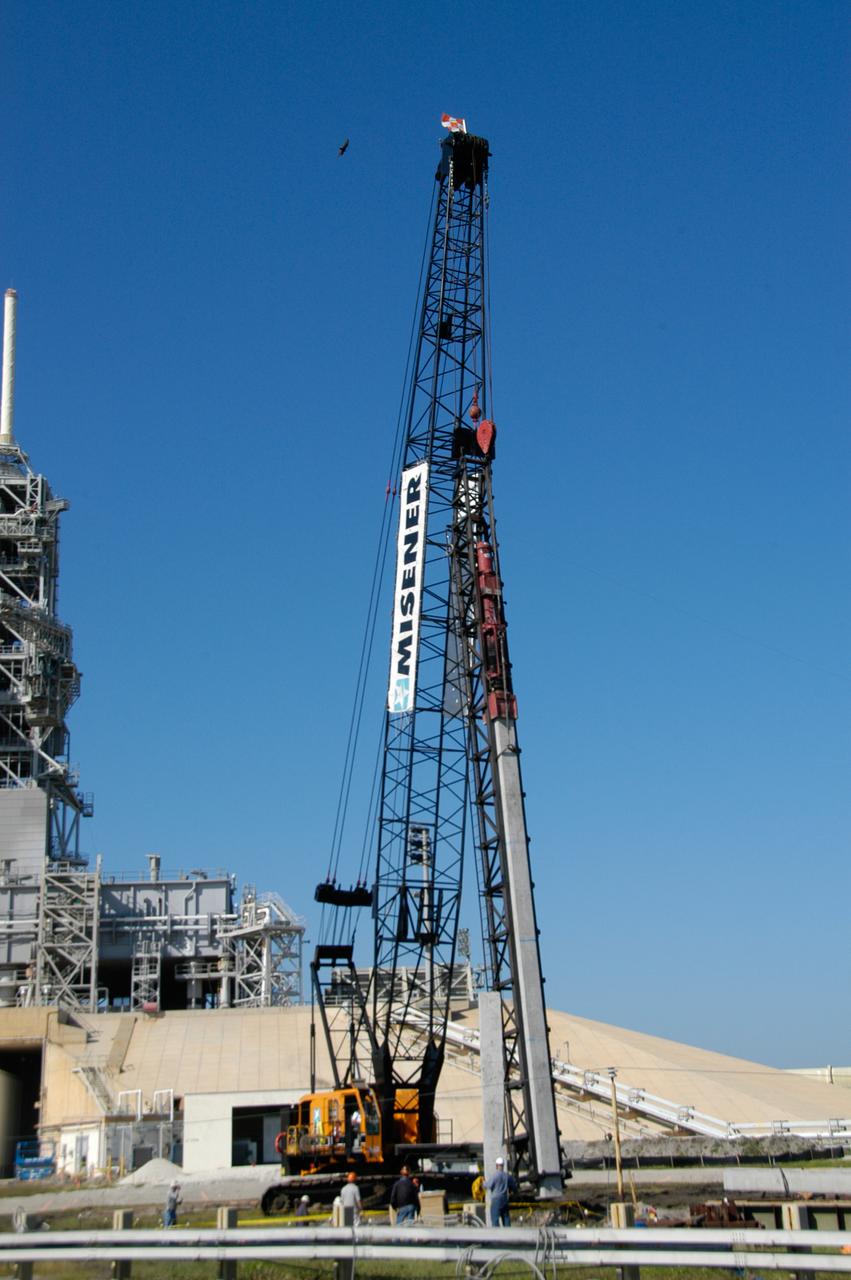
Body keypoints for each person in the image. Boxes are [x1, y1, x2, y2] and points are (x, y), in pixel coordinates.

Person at [485, 1156, 516, 1228]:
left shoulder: (495, 1176)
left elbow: (488, 1185)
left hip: (496, 1200)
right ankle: (508, 1236)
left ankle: (497, 1236)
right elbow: (514, 1186)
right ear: (503, 1165)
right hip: (504, 1200)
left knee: (495, 1221)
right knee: (506, 1220)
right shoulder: (507, 1176)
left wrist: (482, 1183)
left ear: (496, 1165)